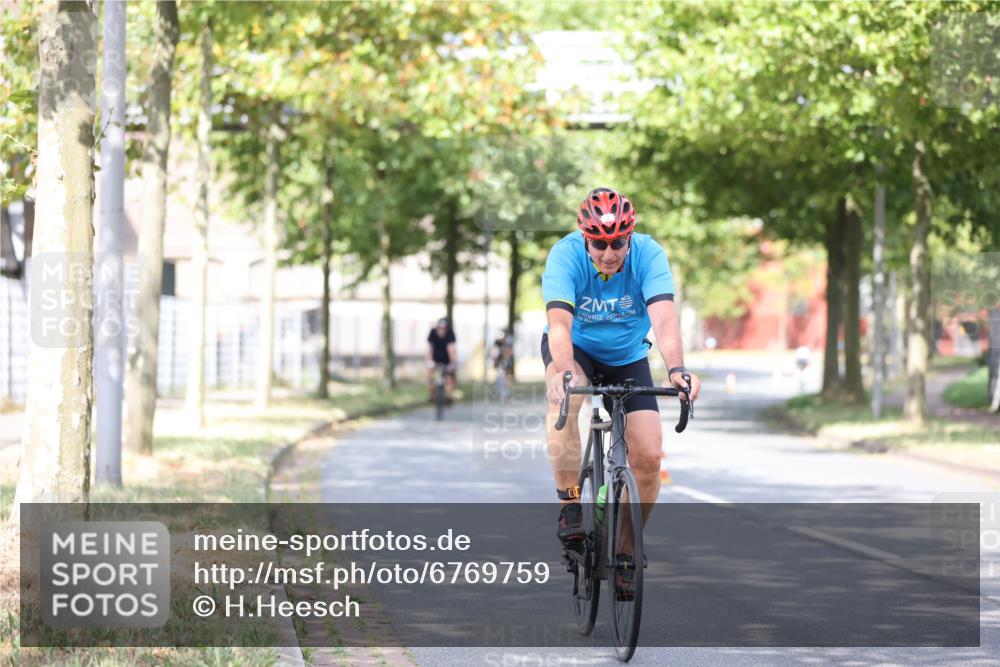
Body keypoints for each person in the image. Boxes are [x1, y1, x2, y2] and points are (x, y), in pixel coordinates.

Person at [541, 187, 701, 554]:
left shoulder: (649, 254)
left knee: (647, 456)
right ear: (585, 239)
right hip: (576, 350)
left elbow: (664, 320)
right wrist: (562, 373)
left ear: (629, 237)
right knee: (566, 395)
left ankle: (627, 550)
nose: (609, 254)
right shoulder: (564, 256)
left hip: (627, 355)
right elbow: (560, 326)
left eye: (618, 243)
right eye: (599, 245)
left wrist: (677, 369)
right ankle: (569, 504)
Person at [427, 318, 456, 403]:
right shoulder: (432, 333)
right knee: (429, 374)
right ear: (437, 328)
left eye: (443, 328)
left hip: (447, 360)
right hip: (435, 359)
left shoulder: (450, 334)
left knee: (449, 378)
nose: (441, 330)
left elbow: (451, 349)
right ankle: (431, 394)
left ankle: (449, 396)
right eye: (440, 328)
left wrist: (452, 363)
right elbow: (430, 349)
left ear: (446, 329)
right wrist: (430, 361)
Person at [493, 328, 515, 400]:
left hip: (506, 361)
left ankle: (507, 393)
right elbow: (495, 353)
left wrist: (505, 356)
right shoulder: (497, 342)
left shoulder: (509, 341)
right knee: (500, 376)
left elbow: (509, 352)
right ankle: (501, 392)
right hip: (501, 361)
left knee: (507, 376)